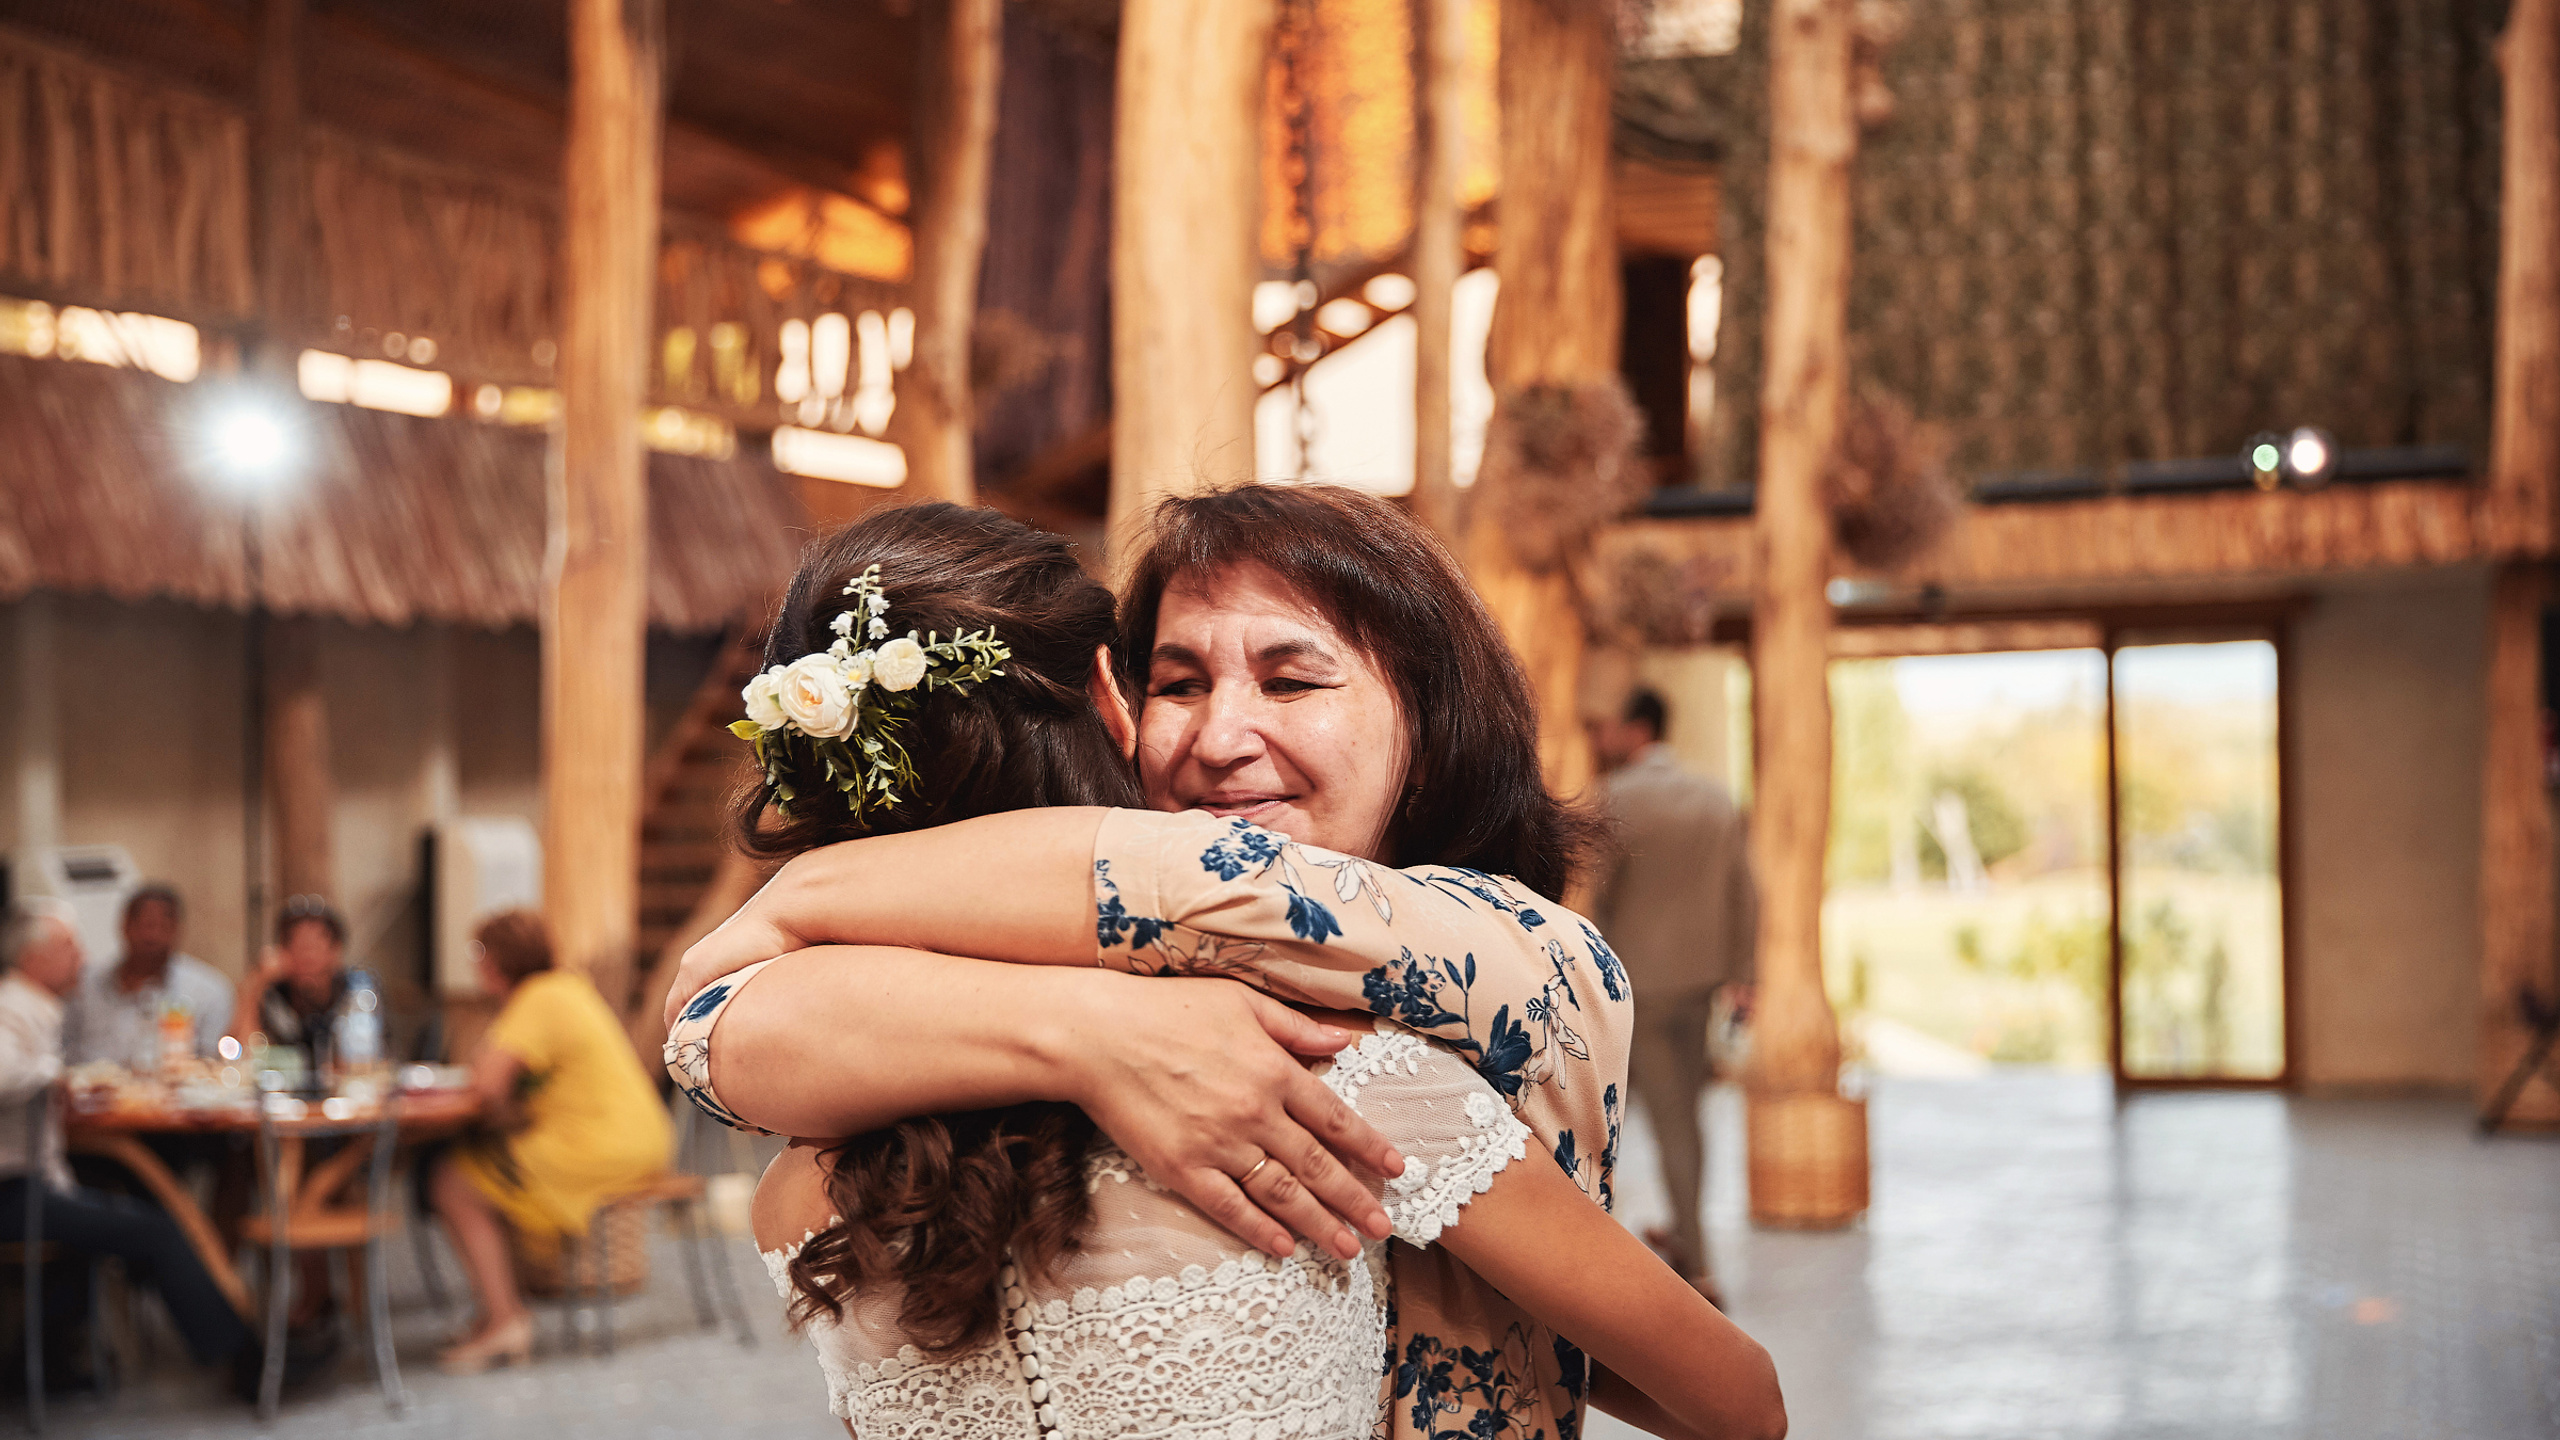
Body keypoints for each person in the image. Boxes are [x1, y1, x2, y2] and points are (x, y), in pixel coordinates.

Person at [664, 489, 1739, 1440]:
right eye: (1178, 683)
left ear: (1431, 712)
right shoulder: (1311, 1066)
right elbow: (717, 1024)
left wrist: (809, 892)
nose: (1223, 737)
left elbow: (1190, 881)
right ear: (1113, 702)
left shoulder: (1487, 946)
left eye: (1289, 679)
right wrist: (1101, 1035)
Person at [0, 899, 324, 1401]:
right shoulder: (13, 1006)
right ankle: (249, 1366)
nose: (81, 959)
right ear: (32, 957)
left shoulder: (34, 1006)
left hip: (45, 1176)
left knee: (130, 1209)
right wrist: (51, 1078)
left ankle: (40, 1364)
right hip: (13, 1190)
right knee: (153, 1227)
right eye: (68, 947)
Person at [430, 909, 673, 1374]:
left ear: (493, 963)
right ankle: (495, 1310)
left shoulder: (537, 999)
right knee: (472, 1168)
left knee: (451, 1181)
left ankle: (505, 1319)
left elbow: (486, 1085)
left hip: (600, 1144)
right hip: (638, 1133)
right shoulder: (566, 988)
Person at [1586, 686, 1758, 1304]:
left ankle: (1692, 1264)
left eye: (1609, 727)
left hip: (1635, 990)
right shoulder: (1715, 799)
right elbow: (1745, 891)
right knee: (1685, 1117)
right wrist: (1746, 974)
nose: (1603, 739)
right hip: (1700, 986)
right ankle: (1685, 1241)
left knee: (1602, 1117)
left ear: (1636, 730)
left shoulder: (1616, 799)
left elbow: (1599, 902)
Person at [64, 884, 235, 1070]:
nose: (152, 936)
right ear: (125, 926)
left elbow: (214, 1063)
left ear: (177, 930)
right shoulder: (84, 984)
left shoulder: (208, 991)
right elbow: (63, 1051)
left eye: (163, 927)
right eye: (145, 925)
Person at [223, 895, 351, 1076]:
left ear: (335, 951)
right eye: (297, 943)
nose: (307, 955)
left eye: (315, 944)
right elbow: (238, 1056)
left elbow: (365, 1062)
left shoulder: (356, 993)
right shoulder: (273, 995)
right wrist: (256, 983)